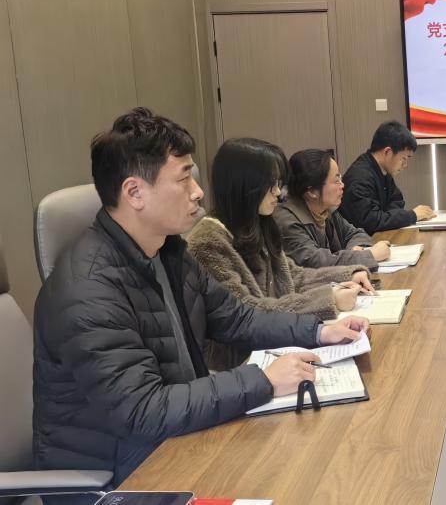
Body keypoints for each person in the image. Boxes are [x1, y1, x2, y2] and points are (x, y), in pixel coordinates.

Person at [33, 108, 370, 498]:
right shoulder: (87, 289)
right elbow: (143, 410)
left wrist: (320, 330)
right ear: (134, 193)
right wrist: (262, 380)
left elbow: (237, 318)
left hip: (174, 444)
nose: (198, 192)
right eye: (183, 179)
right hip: (118, 480)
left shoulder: (168, 252)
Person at [187, 138, 373, 371]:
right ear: (245, 185)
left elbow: (293, 275)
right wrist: (329, 299)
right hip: (239, 363)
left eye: (278, 183)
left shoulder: (257, 224)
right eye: (271, 184)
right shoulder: (208, 242)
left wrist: (348, 274)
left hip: (279, 344)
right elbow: (248, 315)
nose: (278, 192)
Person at [274, 148, 391, 271]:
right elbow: (313, 262)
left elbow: (356, 233)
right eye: (336, 181)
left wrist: (354, 251)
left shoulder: (326, 209)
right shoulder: (287, 221)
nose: (342, 185)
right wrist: (368, 255)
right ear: (312, 192)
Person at [339, 120, 435, 234]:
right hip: (362, 242)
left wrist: (388, 217)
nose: (405, 165)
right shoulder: (360, 178)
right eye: (404, 158)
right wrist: (412, 215)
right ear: (388, 152)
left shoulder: (381, 170)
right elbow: (370, 222)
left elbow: (396, 200)